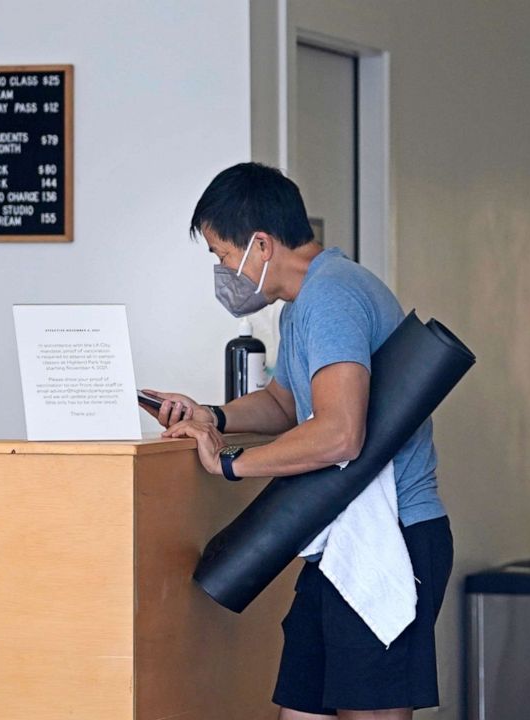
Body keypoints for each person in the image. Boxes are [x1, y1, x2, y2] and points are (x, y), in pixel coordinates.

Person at [142, 163, 452, 719]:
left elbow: (338, 433)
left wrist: (231, 465)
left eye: (222, 254)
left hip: (392, 537)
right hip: (344, 539)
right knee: (300, 709)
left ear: (261, 244)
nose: (223, 270)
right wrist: (212, 415)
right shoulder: (307, 303)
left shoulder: (331, 298)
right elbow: (288, 404)